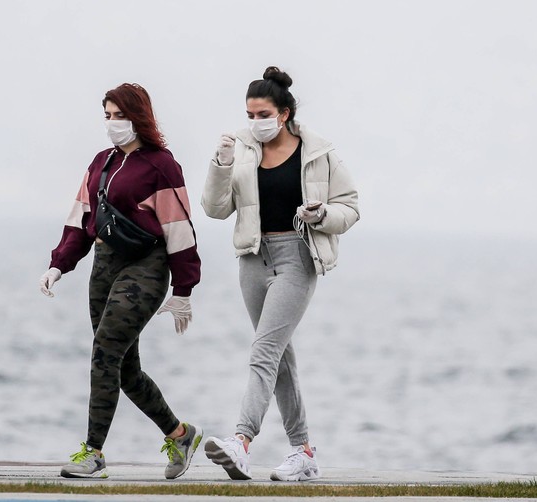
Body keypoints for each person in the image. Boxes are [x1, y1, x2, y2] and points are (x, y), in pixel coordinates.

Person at [200, 66, 359, 481]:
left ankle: (241, 440)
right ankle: (303, 452)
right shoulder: (243, 150)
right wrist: (221, 163)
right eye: (250, 115)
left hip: (296, 257)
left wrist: (323, 213)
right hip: (253, 258)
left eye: (263, 114)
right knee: (279, 358)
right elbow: (215, 209)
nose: (255, 123)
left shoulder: (319, 152)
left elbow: (352, 206)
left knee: (264, 351)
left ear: (284, 113)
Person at [39, 82, 203, 480]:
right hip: (104, 264)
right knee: (123, 368)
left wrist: (183, 289)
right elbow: (80, 218)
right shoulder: (101, 162)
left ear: (139, 117)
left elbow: (179, 228)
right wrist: (60, 263)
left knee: (104, 354)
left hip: (146, 265)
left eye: (120, 116)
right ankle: (180, 435)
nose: (113, 124)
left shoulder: (162, 164)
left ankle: (93, 453)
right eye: (108, 116)